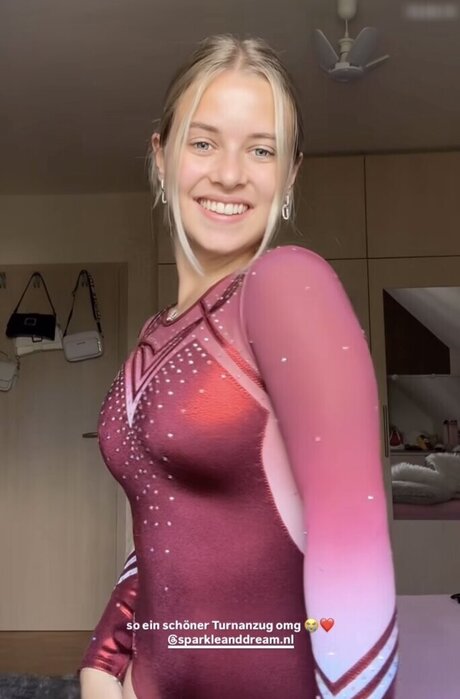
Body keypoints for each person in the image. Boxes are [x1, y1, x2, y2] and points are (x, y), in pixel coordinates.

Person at [79, 34, 399, 699]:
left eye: (261, 149)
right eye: (203, 143)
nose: (229, 174)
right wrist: (104, 662)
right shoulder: (154, 334)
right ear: (161, 155)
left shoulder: (288, 286)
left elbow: (354, 546)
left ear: (290, 175)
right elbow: (164, 526)